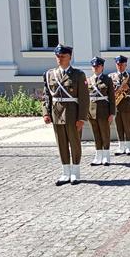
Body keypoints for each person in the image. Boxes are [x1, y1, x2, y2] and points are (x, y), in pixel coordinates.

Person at [42, 44, 89, 185]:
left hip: (72, 114)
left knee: (74, 143)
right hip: (57, 114)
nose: (59, 59)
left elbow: (84, 98)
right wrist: (46, 112)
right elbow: (46, 95)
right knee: (61, 144)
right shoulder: (50, 74)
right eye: (58, 56)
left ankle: (75, 172)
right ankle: (65, 172)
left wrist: (81, 118)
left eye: (62, 56)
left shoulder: (78, 75)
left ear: (69, 57)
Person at [87, 57, 115, 166]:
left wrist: (112, 113)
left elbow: (112, 98)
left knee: (105, 133)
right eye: (94, 66)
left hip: (104, 110)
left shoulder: (107, 79)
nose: (95, 68)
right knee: (96, 134)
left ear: (102, 67)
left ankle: (106, 156)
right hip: (91, 111)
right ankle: (98, 156)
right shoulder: (89, 80)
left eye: (97, 66)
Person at [110, 55, 130, 156]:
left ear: (126, 65)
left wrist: (128, 89)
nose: (120, 66)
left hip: (127, 104)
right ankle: (121, 147)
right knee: (119, 127)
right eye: (118, 64)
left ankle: (129, 147)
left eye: (122, 64)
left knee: (127, 126)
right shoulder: (111, 76)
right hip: (116, 105)